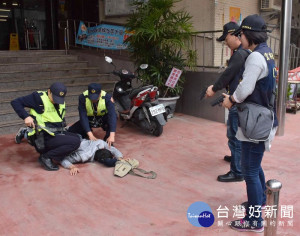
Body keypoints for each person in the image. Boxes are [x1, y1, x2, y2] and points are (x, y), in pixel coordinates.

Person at [222, 14, 278, 233]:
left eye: (241, 34)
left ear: (248, 34)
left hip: (255, 121)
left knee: (249, 171)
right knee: (254, 165)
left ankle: (254, 220)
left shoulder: (255, 57)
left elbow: (244, 89)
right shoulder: (268, 53)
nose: (240, 38)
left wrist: (231, 99)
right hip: (263, 118)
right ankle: (260, 201)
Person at [206, 21, 250, 182]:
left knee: (235, 135)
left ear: (233, 35)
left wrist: (214, 88)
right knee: (235, 134)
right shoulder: (242, 52)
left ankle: (237, 171)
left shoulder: (240, 54)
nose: (225, 41)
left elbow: (228, 75)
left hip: (237, 102)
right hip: (238, 99)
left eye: (226, 38)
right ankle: (236, 158)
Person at [11, 82, 81, 171]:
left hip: (54, 133)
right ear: (49, 91)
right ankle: (46, 157)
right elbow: (15, 102)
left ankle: (25, 132)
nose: (56, 101)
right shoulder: (38, 98)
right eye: (54, 98)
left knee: (77, 137)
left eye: (59, 99)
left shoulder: (60, 101)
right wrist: (26, 116)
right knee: (75, 142)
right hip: (42, 137)